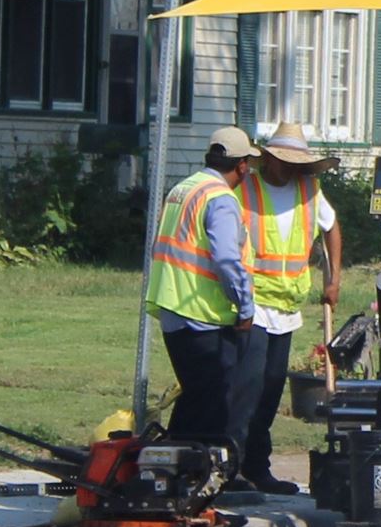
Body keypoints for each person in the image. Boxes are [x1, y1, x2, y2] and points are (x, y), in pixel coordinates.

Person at [234, 124, 342, 494]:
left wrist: (334, 279)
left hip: (286, 306)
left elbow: (331, 228)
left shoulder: (310, 191)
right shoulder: (245, 188)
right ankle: (232, 466)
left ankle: (257, 467)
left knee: (271, 388)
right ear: (267, 159)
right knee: (247, 387)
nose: (290, 168)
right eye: (283, 161)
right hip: (251, 301)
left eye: (296, 163)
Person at [147, 127, 257, 456]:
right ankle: (187, 469)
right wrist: (245, 306)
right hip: (202, 313)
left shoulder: (184, 188)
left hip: (173, 305)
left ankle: (172, 468)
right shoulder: (220, 199)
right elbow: (226, 258)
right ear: (242, 166)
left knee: (196, 399)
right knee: (211, 404)